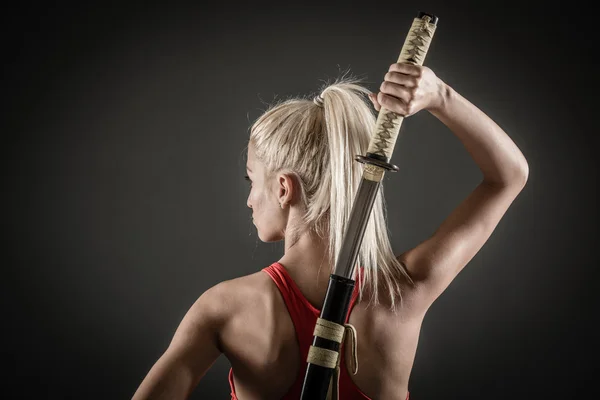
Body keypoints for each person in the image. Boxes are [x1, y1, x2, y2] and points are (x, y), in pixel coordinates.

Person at [132, 63, 529, 400]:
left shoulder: (224, 309)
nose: (249, 200)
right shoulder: (403, 293)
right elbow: (509, 175)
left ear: (284, 188)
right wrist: (441, 96)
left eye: (252, 179)